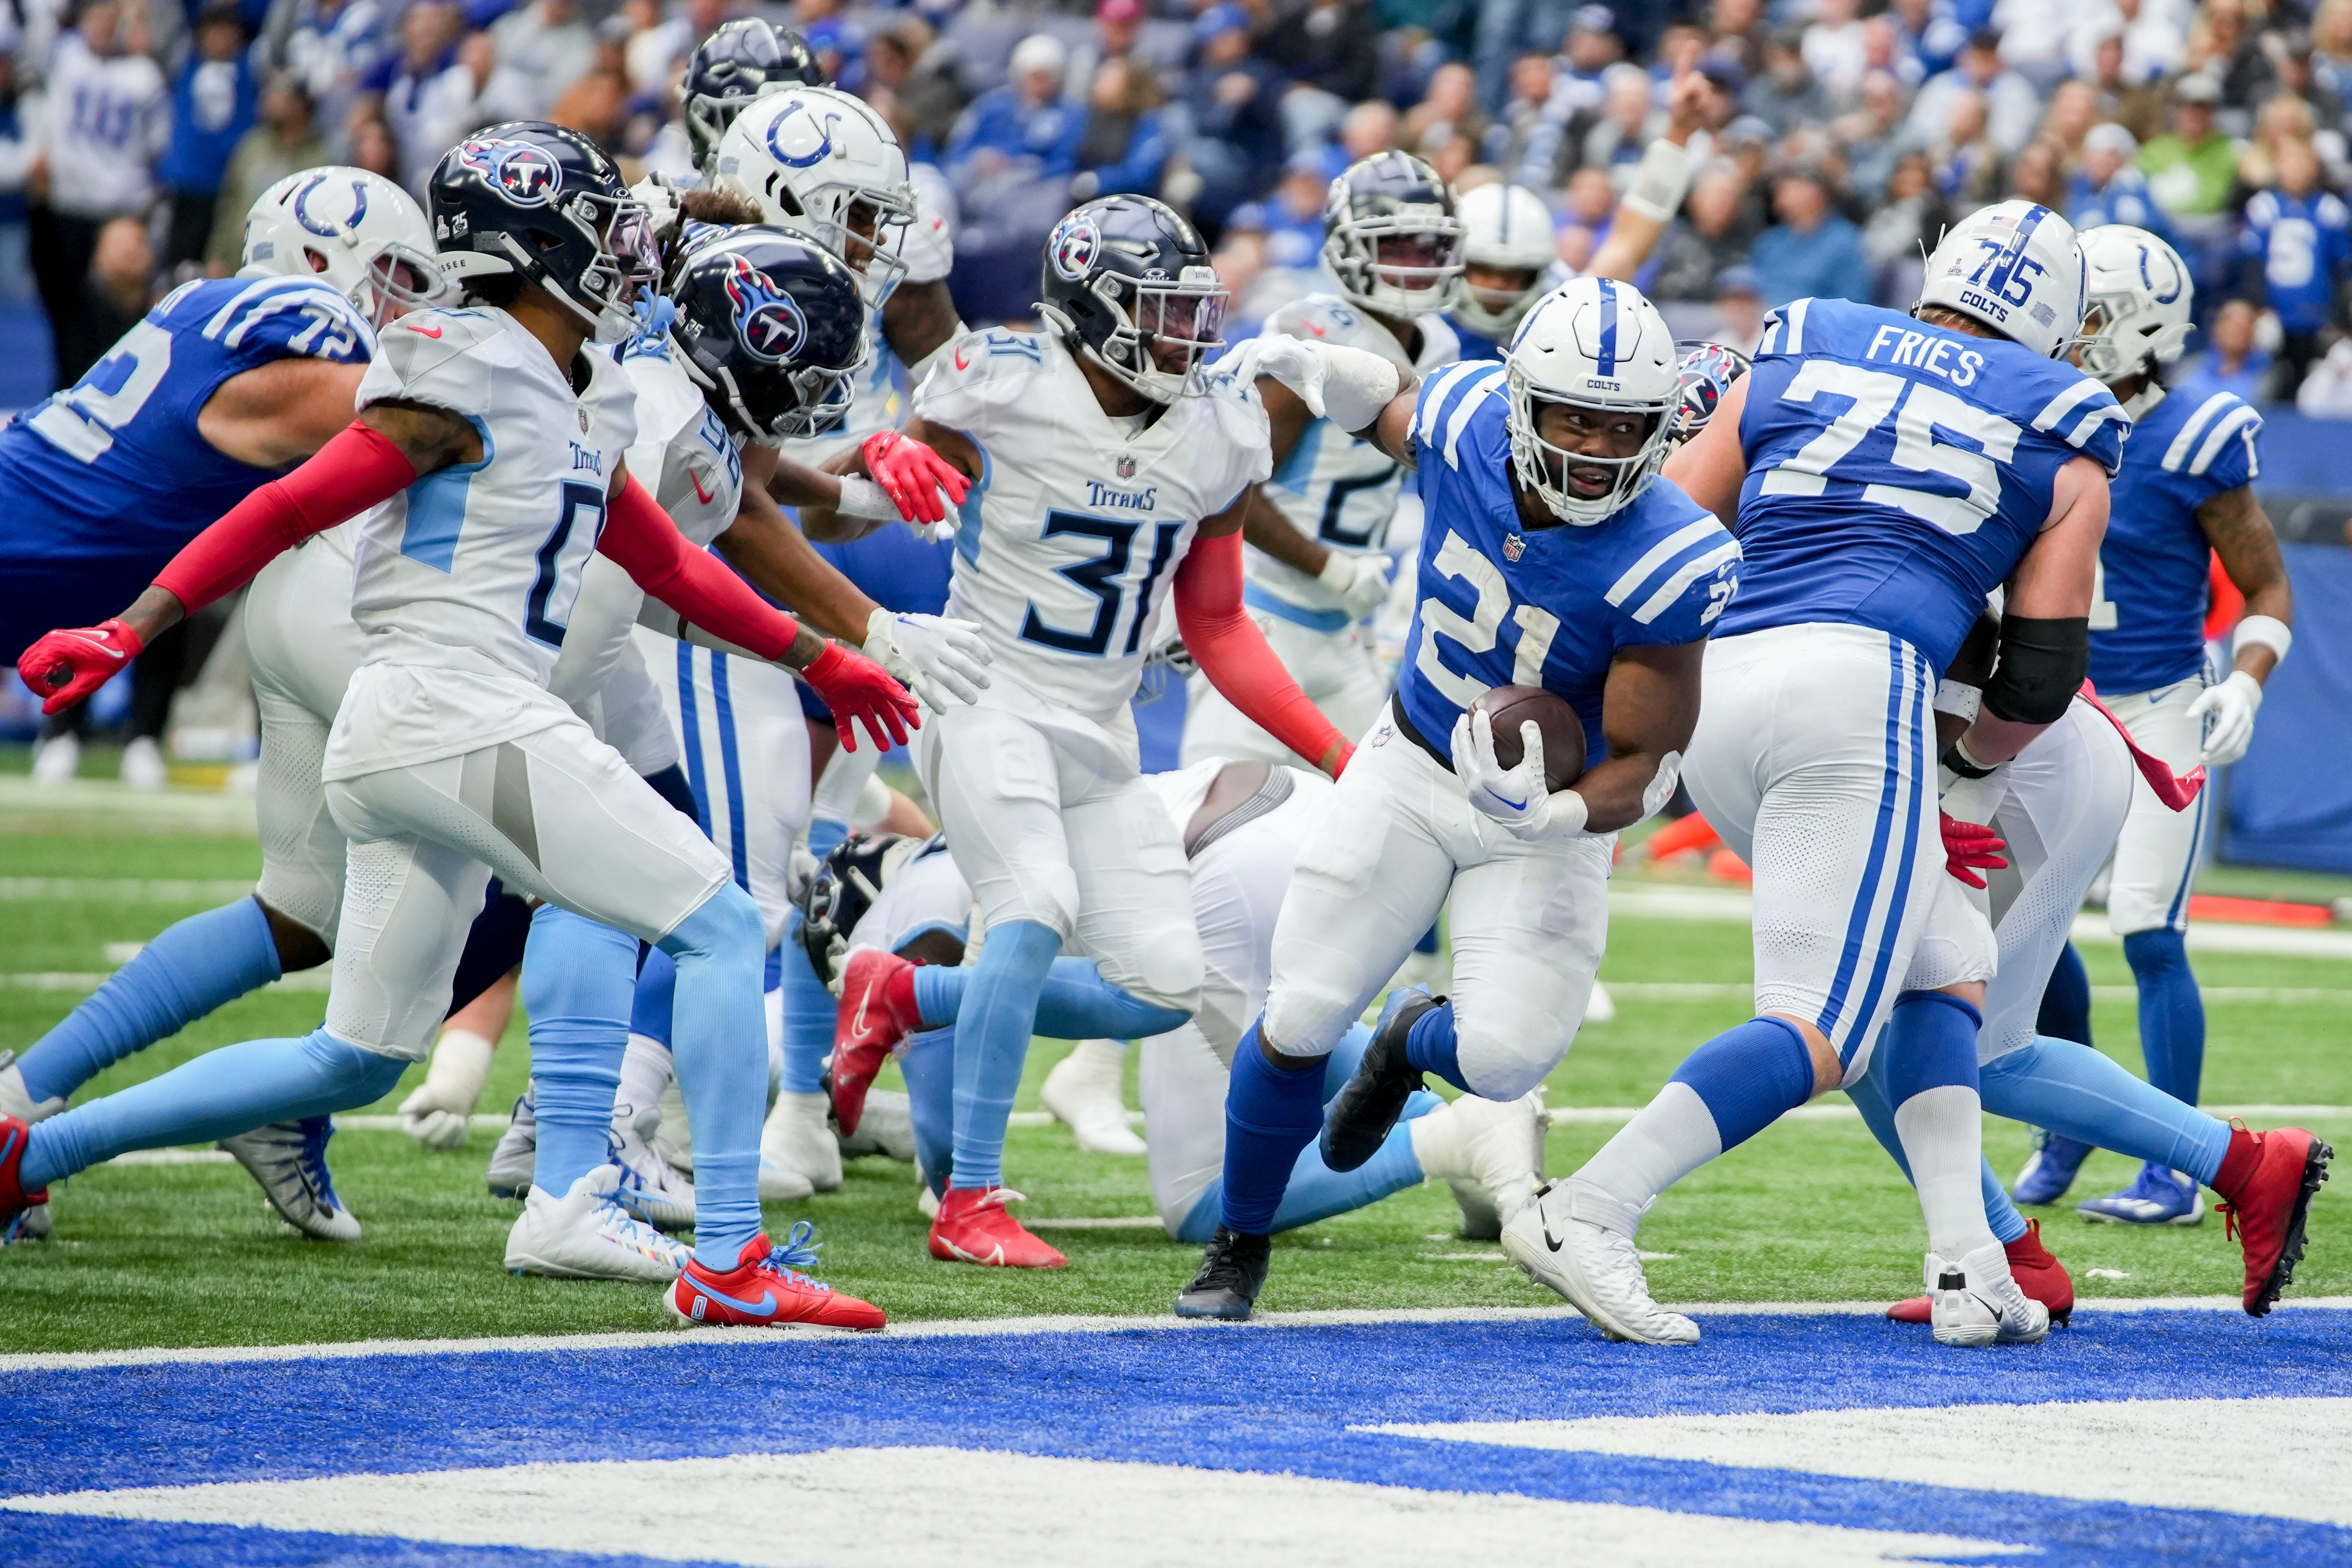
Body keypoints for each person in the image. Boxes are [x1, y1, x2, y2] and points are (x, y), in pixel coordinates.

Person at [1, 123, 914, 1333]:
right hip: (451, 701)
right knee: (714, 917)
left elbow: (673, 571)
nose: (627, 248)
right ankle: (731, 1259)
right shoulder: (465, 365)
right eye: (602, 228)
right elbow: (287, 502)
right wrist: (130, 629)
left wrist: (824, 656)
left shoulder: (574, 384)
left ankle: (24, 1148)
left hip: (421, 724)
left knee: (354, 1056)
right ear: (539, 250)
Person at [1531, 201, 2121, 1349]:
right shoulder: (2066, 416)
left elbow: (1670, 522)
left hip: (1721, 680)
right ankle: (1590, 1206)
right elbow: (2043, 672)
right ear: (2053, 320)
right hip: (1862, 690)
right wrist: (1963, 765)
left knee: (1948, 960)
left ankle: (1969, 1258)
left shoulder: (1809, 334)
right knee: (1825, 1030)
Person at [1174, 275, 1736, 1319]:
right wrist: (1317, 368)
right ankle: (1237, 1239)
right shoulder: (1468, 417)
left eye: (1622, 427)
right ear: (1521, 404)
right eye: (1572, 416)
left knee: (1507, 1055)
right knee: (1297, 1013)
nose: (1594, 449)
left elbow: (1649, 761)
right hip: (1411, 755)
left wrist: (1557, 813)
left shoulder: (1672, 553)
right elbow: (1389, 402)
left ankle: (1406, 1040)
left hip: (1540, 819)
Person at [812, 195, 1356, 1269]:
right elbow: (827, 514)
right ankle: (968, 1200)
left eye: (1191, 314)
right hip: (980, 687)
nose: (1182, 339)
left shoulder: (1218, 424)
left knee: (1160, 984)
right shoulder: (1000, 382)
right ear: (1089, 311)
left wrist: (1341, 753)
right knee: (1031, 906)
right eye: (1156, 314)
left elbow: (1215, 624)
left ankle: (901, 989)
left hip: (1097, 723)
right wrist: (875, 451)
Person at [805, 761, 1550, 1246]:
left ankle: (1461, 1140)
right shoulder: (972, 837)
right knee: (1282, 1046)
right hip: (1302, 816)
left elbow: (947, 1147)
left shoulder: (928, 904)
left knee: (1200, 1203)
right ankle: (1478, 1150)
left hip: (1227, 871)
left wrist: (905, 1110)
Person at [1868, 610, 2329, 1323]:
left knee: (1897, 1032)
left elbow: (2011, 617)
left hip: (2015, 757)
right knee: (1939, 1042)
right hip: (2003, 752)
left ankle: (2019, 1244)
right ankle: (2015, 1246)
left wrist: (2248, 671)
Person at [2004, 227, 2300, 1231]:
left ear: (2137, 328)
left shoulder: (2193, 435)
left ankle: (2176, 1168)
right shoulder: (2038, 414)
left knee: (2145, 929)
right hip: (2054, 713)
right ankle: (2068, 1121)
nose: (2067, 329)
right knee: (2026, 929)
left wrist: (2247, 680)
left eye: (2087, 312)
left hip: (2158, 705)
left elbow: (2264, 585)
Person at [707, 81, 972, 1195]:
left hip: (793, 585)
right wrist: (863, 604)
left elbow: (798, 479)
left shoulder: (834, 286)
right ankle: (620, 1116)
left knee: (802, 859)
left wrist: (877, 464)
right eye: (857, 214)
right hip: (717, 604)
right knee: (727, 880)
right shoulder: (726, 288)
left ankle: (799, 1102)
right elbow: (742, 499)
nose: (879, 242)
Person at [2240, 139, 2350, 398]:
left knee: (2317, 383)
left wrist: (2339, 314)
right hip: (2277, 312)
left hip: (2318, 313)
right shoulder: (2264, 206)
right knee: (2276, 381)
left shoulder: (2329, 208)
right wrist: (2260, 306)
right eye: (2291, 164)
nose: (2297, 171)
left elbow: (2340, 266)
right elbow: (2254, 262)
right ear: (2278, 168)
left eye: (2304, 163)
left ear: (2315, 168)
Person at [159, 2, 261, 270]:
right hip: (188, 184)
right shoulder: (184, 60)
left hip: (230, 188)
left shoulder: (251, 64)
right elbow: (166, 18)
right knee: (179, 266)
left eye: (227, 30)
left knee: (224, 264)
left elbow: (277, 30)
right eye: (212, 30)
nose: (219, 38)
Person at [205, 76, 332, 277]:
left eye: (278, 94)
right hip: (236, 265)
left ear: (301, 104)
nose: (268, 100)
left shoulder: (321, 157)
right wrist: (216, 256)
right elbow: (228, 206)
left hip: (291, 270)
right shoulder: (251, 147)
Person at [1748, 165, 1869, 306]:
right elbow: (1750, 287)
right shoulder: (1770, 241)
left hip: (1812, 322)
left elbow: (1852, 302)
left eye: (1787, 190)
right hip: (1761, 320)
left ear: (1815, 193)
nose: (1779, 197)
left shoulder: (1846, 242)